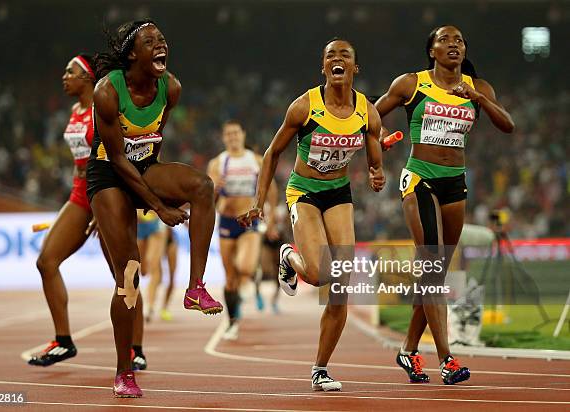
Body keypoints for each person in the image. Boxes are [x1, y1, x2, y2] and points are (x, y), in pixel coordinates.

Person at [239, 38, 385, 391]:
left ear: (354, 67)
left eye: (344, 55)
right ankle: (290, 256)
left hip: (338, 193)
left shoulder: (368, 112)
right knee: (319, 274)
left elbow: (375, 152)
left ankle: (320, 367)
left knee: (341, 285)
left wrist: (376, 172)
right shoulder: (304, 106)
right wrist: (259, 201)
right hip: (303, 191)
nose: (337, 60)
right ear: (323, 68)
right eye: (330, 56)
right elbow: (272, 153)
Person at [88, 19, 223, 398]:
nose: (161, 45)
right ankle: (123, 370)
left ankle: (196, 287)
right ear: (133, 54)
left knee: (202, 186)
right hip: (108, 175)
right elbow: (116, 157)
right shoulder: (106, 91)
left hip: (143, 167)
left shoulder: (172, 88)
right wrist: (157, 206)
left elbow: (152, 143)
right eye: (151, 41)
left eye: (163, 39)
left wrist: (157, 188)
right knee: (129, 276)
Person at [375, 25, 514, 385]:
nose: (453, 44)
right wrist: (379, 142)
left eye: (459, 40)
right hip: (419, 177)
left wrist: (478, 98)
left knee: (433, 273)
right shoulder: (411, 84)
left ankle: (407, 351)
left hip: (455, 183)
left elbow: (508, 125)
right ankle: (447, 358)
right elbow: (369, 118)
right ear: (432, 51)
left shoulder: (479, 88)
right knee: (433, 267)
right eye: (444, 40)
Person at [28, 54, 97, 367]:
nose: (64, 76)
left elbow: (118, 157)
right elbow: (79, 160)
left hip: (106, 195)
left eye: (70, 72)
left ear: (87, 77)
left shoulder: (103, 108)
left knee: (123, 275)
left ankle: (135, 350)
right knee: (47, 261)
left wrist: (107, 205)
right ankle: (64, 341)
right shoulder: (74, 110)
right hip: (79, 195)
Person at [207, 120, 277, 340]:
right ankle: (232, 321)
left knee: (244, 267)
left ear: (243, 135)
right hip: (227, 221)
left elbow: (271, 190)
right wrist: (215, 190)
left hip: (249, 221)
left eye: (236, 132)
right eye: (228, 134)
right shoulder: (217, 164)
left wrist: (272, 218)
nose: (233, 137)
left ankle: (252, 273)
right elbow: (208, 199)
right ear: (223, 138)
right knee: (230, 278)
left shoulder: (255, 160)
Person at [138, 210, 177, 322]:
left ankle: (152, 306)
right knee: (143, 271)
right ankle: (151, 299)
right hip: (139, 224)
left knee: (155, 266)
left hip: (156, 225)